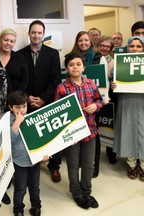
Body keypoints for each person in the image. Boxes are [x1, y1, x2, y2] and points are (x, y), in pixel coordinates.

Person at [56, 52, 103, 209]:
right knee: (73, 164)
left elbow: (99, 100)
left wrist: (96, 106)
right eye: (71, 65)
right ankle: (76, 193)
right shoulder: (62, 88)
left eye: (78, 64)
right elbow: (58, 112)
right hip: (73, 134)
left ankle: (87, 191)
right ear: (67, 69)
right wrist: (67, 134)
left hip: (90, 131)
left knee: (89, 164)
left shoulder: (90, 84)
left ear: (83, 67)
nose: (75, 67)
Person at [17, 20, 62, 183]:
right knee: (31, 136)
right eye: (33, 32)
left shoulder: (53, 54)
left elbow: (56, 79)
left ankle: (54, 166)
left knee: (52, 135)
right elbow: (20, 80)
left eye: (39, 32)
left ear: (43, 34)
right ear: (29, 34)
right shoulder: (20, 54)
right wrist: (27, 97)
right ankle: (32, 164)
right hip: (27, 102)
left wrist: (43, 98)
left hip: (47, 101)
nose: (36, 35)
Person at [0, 28, 29, 205]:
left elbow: (25, 79)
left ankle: (17, 179)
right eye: (6, 40)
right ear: (0, 40)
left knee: (15, 143)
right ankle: (2, 184)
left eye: (12, 41)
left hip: (15, 106)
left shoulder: (19, 58)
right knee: (2, 147)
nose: (8, 43)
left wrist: (18, 103)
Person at [68, 31, 104, 178]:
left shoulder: (98, 57)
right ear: (77, 42)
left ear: (91, 42)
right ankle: (81, 164)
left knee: (93, 137)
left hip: (93, 103)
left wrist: (98, 103)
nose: (83, 43)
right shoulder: (69, 57)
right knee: (77, 136)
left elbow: (105, 80)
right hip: (76, 106)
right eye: (80, 40)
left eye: (86, 40)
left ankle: (92, 167)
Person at [8, 90, 48, 216]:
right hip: (19, 161)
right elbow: (10, 139)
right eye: (17, 107)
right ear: (10, 107)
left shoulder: (32, 117)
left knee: (35, 187)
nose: (21, 110)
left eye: (24, 106)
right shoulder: (9, 120)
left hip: (34, 159)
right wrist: (18, 122)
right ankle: (18, 210)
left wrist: (45, 153)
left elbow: (41, 138)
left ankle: (36, 207)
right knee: (20, 189)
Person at [112, 36, 144, 182]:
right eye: (132, 46)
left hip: (142, 102)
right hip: (126, 101)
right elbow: (113, 83)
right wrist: (114, 85)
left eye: (139, 46)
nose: (135, 49)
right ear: (127, 47)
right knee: (128, 131)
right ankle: (131, 164)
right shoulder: (120, 63)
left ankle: (143, 166)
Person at [96, 36, 118, 164]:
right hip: (95, 96)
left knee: (110, 124)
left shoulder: (114, 61)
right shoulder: (93, 59)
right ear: (97, 46)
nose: (104, 48)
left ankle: (111, 152)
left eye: (107, 46)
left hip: (110, 95)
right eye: (102, 45)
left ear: (111, 48)